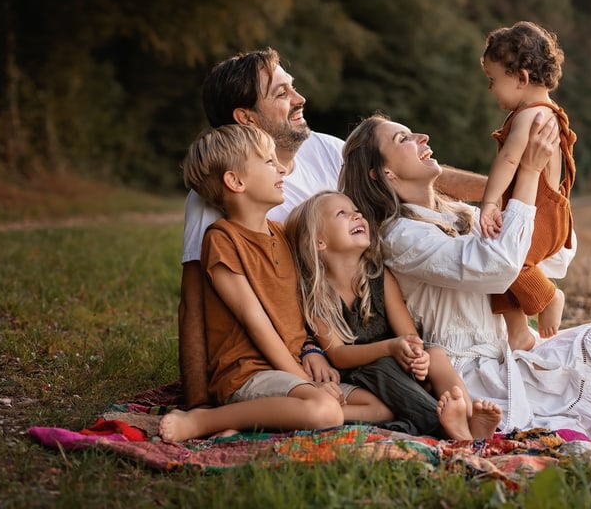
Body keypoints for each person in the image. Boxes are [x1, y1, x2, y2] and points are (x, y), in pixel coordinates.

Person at [339, 112, 591, 442]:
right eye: (404, 138)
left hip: (513, 354)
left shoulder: (460, 214)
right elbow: (498, 267)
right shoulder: (400, 235)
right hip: (476, 379)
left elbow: (554, 257)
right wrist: (524, 174)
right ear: (383, 173)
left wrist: (547, 172)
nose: (423, 136)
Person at [179, 48, 487, 408]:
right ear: (246, 117)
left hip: (377, 314)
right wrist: (197, 403)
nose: (300, 99)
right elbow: (194, 302)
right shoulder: (214, 202)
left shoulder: (323, 150)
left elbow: (407, 169)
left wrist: (500, 190)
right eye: (281, 94)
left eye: (292, 87)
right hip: (322, 342)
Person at [159, 124, 391, 442]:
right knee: (323, 410)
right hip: (249, 372)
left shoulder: (282, 235)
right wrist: (308, 385)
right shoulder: (222, 239)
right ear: (235, 181)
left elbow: (295, 310)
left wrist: (311, 351)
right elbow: (256, 323)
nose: (281, 168)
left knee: (381, 406)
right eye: (269, 162)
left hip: (291, 369)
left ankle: (262, 418)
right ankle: (204, 420)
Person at [285, 190, 502, 440]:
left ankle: (468, 421)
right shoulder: (317, 295)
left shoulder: (379, 277)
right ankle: (446, 426)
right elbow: (339, 354)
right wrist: (390, 348)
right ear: (318, 242)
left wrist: (416, 356)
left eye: (356, 210)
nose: (357, 215)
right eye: (342, 213)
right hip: (362, 371)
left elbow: (408, 334)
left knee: (436, 355)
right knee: (382, 367)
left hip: (398, 359)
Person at [478, 21, 576, 351]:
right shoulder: (542, 112)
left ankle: (549, 297)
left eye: (493, 81)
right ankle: (518, 332)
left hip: (542, 214)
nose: (491, 90)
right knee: (499, 268)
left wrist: (489, 203)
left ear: (520, 78)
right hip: (535, 209)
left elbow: (507, 161)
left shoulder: (531, 116)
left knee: (509, 260)